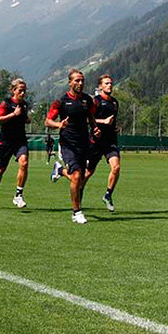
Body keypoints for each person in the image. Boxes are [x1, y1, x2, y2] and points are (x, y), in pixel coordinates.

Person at [46, 69, 98, 224]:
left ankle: (59, 170)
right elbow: (47, 121)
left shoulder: (87, 100)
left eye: (82, 80)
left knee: (80, 179)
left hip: (84, 143)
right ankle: (77, 212)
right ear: (70, 82)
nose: (80, 83)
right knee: (75, 176)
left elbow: (91, 117)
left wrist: (95, 128)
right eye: (76, 80)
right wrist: (59, 124)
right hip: (67, 144)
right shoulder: (61, 102)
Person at [0, 78, 30, 209]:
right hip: (5, 141)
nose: (23, 93)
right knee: (1, 169)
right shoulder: (6, 104)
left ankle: (18, 195)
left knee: (24, 162)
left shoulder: (24, 105)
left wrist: (26, 118)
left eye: (24, 91)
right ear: (14, 90)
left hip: (20, 141)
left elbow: (24, 118)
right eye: (20, 90)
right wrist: (13, 114)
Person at [85, 74, 121, 212]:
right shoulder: (95, 102)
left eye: (111, 83)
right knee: (88, 172)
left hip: (110, 141)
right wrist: (103, 122)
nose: (109, 85)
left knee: (116, 167)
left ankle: (108, 195)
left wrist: (114, 127)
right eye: (106, 83)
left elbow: (112, 121)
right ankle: (79, 192)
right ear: (100, 86)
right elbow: (88, 119)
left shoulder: (115, 103)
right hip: (95, 141)